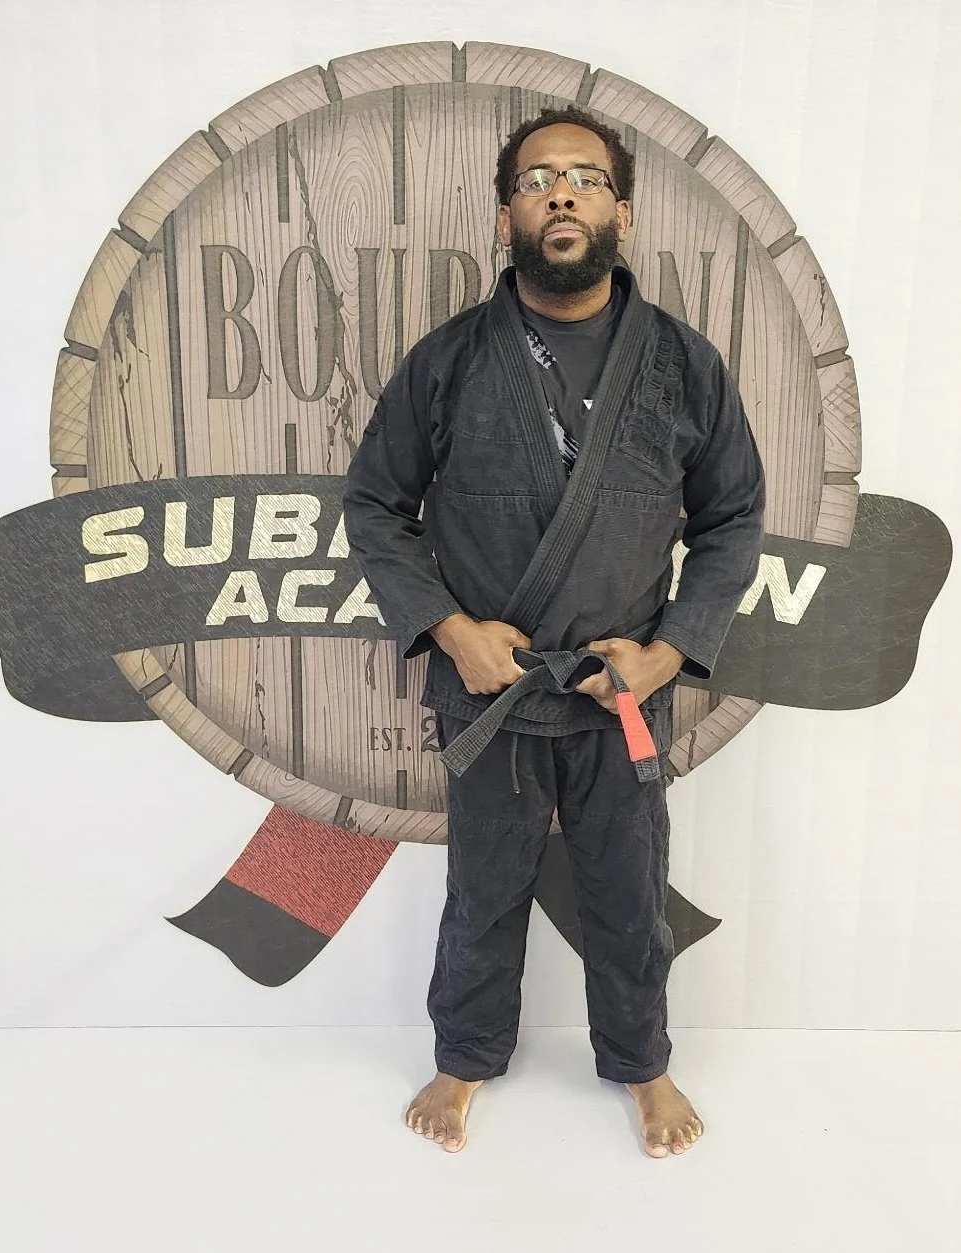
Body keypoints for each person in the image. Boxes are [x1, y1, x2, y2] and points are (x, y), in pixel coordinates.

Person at [342, 104, 765, 1158]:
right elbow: (375, 505)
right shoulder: (447, 361)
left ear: (622, 209)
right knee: (483, 887)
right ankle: (466, 1052)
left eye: (584, 177)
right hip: (489, 691)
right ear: (507, 217)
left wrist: (668, 649)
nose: (561, 193)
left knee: (627, 889)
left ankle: (643, 1060)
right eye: (538, 180)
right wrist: (447, 627)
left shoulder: (682, 363)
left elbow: (732, 517)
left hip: (619, 690)